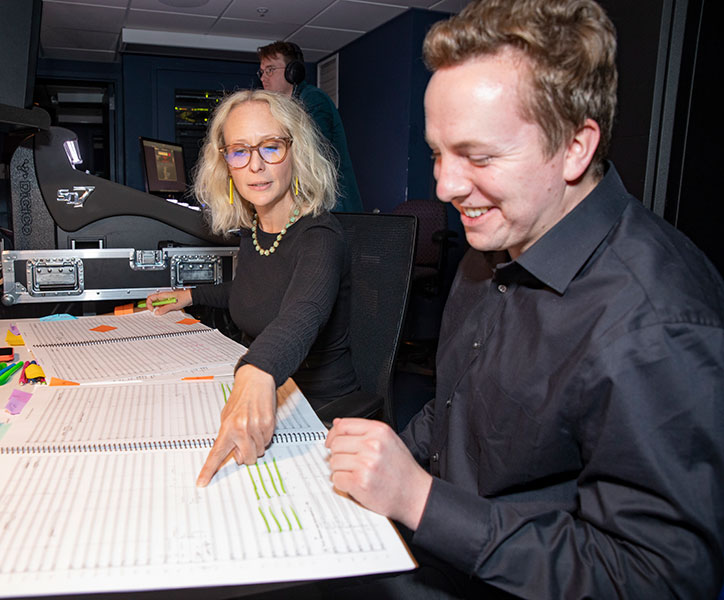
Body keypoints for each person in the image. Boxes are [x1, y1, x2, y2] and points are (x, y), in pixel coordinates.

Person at [323, 0, 724, 598]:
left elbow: (657, 577)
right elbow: (457, 407)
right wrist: (381, 463)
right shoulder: (492, 249)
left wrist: (419, 499)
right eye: (438, 152)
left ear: (574, 147)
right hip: (446, 547)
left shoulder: (658, 324)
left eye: (479, 156)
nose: (446, 186)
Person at [145, 89, 359, 488]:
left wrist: (256, 372)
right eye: (240, 151)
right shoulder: (256, 232)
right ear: (226, 164)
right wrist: (191, 296)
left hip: (320, 409)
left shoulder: (320, 235)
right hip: (272, 385)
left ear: (297, 153)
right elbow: (252, 293)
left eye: (271, 147)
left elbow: (303, 310)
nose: (256, 166)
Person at [257, 41, 363, 213]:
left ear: (293, 71)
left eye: (270, 70)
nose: (263, 77)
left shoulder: (313, 100)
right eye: (262, 72)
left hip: (335, 208)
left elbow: (312, 153)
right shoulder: (286, 108)